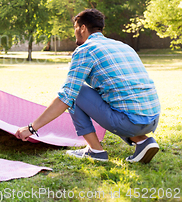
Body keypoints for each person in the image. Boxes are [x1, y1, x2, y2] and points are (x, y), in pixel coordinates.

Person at [15, 9, 161, 163]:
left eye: (75, 29)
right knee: (107, 97)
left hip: (130, 122)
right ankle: (143, 141)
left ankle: (96, 151)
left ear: (82, 28)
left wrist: (31, 128)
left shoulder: (85, 50)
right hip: (153, 118)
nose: (75, 33)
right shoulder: (123, 46)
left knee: (75, 92)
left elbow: (66, 97)